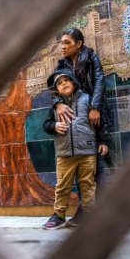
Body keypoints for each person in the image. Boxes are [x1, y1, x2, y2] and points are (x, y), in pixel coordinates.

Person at [49, 28, 111, 227]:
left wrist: (94, 106)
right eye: (62, 43)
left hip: (92, 111)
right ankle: (84, 213)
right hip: (73, 122)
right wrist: (57, 104)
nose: (63, 46)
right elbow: (54, 87)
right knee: (78, 172)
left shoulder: (90, 57)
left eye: (67, 42)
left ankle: (92, 213)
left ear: (79, 43)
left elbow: (100, 81)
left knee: (94, 170)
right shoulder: (62, 64)